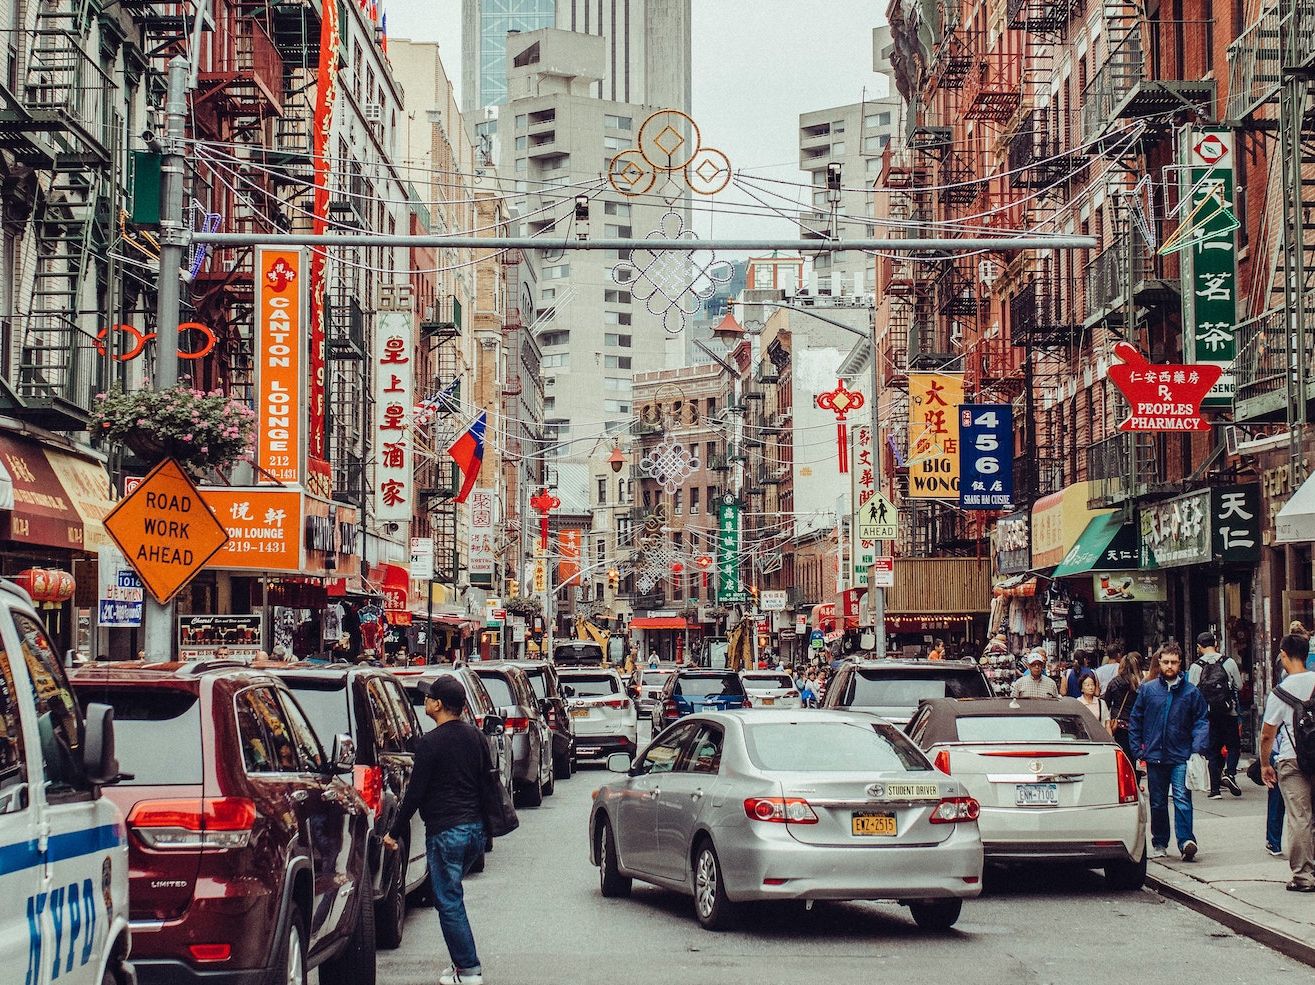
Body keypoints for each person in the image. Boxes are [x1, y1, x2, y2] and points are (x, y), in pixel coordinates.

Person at [385, 676, 490, 984]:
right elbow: (487, 783)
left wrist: (393, 831)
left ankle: (469, 970)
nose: (425, 701)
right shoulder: (476, 737)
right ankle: (460, 963)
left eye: (428, 697)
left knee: (449, 901)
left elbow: (414, 794)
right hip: (474, 832)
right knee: (451, 895)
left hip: (446, 830)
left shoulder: (430, 743)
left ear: (439, 705)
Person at [1128, 643, 1210, 861]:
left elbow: (1201, 721)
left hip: (1181, 754)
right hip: (1155, 755)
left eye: (1174, 662)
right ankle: (1160, 842)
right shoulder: (1148, 690)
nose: (1170, 666)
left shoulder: (1191, 692)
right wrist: (1137, 749)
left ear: (1180, 663)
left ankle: (1186, 841)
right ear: (1159, 663)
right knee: (1158, 801)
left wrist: (1197, 748)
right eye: (1166, 662)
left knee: (1182, 798)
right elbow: (1136, 720)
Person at [1260, 634, 1315, 890]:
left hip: (1292, 760)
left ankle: (1303, 876)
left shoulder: (1280, 693)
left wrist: (1264, 764)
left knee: (1299, 817)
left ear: (1283, 655)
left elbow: (1267, 734)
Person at [1187, 631, 1244, 799]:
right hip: (1229, 711)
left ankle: (1215, 790)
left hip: (1208, 714)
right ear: (1216, 644)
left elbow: (1191, 693)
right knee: (1233, 745)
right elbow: (1239, 686)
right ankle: (1230, 773)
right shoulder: (1229, 662)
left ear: (1199, 647)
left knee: (1212, 750)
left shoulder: (1196, 666)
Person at [1105, 652, 1142, 759]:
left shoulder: (1114, 683)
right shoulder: (1138, 685)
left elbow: (1107, 703)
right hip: (1134, 723)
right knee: (1133, 754)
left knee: (1121, 754)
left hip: (1118, 724)